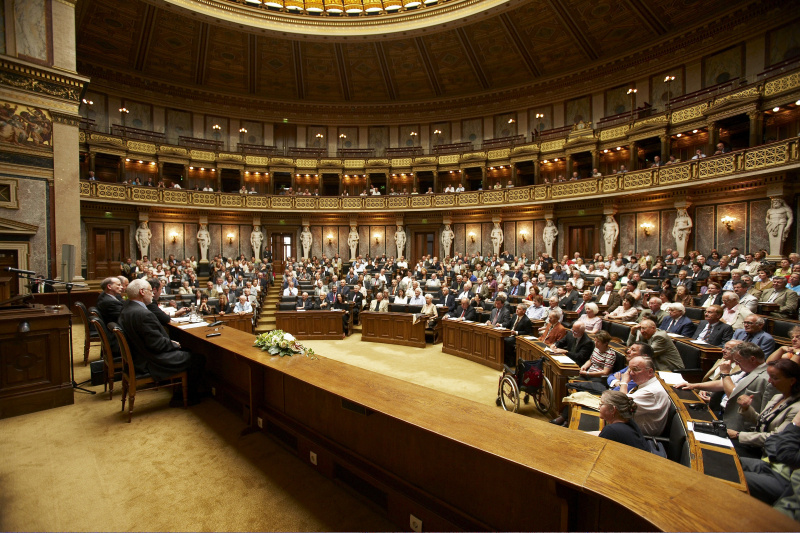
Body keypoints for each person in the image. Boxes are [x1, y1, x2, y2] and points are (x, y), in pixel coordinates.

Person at [117, 278, 205, 405]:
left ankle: (183, 392)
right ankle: (183, 398)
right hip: (151, 360)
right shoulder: (144, 314)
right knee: (198, 358)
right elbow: (156, 345)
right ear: (142, 292)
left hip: (139, 356)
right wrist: (173, 344)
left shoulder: (127, 308)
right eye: (149, 291)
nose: (152, 294)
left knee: (187, 351)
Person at [731, 359, 800, 461]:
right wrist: (746, 407)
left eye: (774, 378)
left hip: (768, 455)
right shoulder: (778, 397)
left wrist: (738, 435)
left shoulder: (797, 409)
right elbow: (763, 422)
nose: (769, 381)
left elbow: (776, 438)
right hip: (755, 446)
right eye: (769, 377)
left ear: (792, 381)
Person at [626, 356, 671, 436]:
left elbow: (621, 405)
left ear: (650, 372)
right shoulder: (646, 384)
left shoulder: (651, 391)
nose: (631, 373)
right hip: (630, 427)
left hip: (639, 436)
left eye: (635, 369)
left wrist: (624, 382)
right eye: (630, 370)